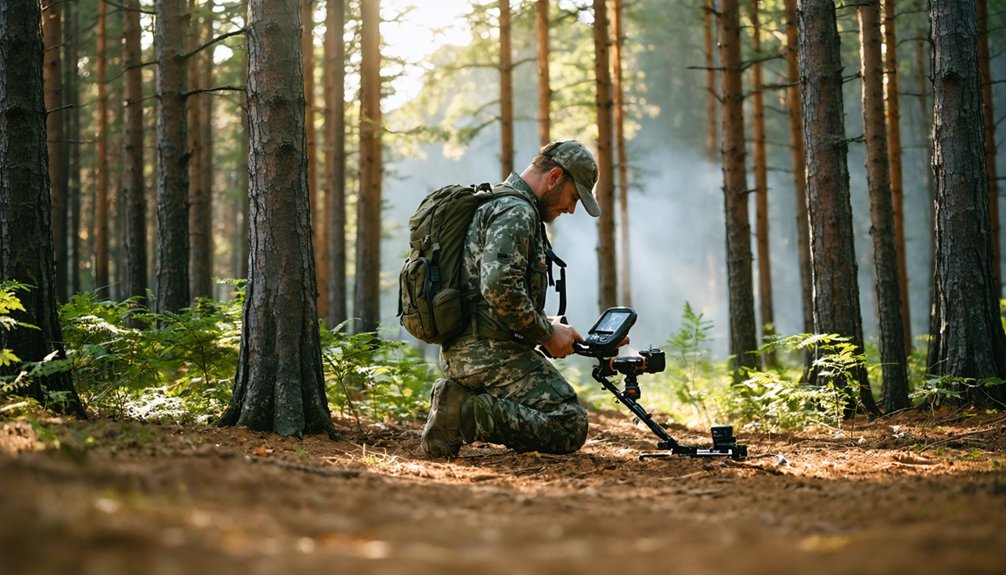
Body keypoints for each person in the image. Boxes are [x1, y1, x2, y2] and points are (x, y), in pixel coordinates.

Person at [421, 140, 603, 458]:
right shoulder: (517, 211)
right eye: (574, 197)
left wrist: (546, 324)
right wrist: (545, 334)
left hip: (467, 349)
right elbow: (498, 286)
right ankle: (464, 412)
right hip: (488, 353)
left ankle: (458, 397)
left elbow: (484, 292)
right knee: (569, 423)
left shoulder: (495, 202)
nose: (571, 209)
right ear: (555, 176)